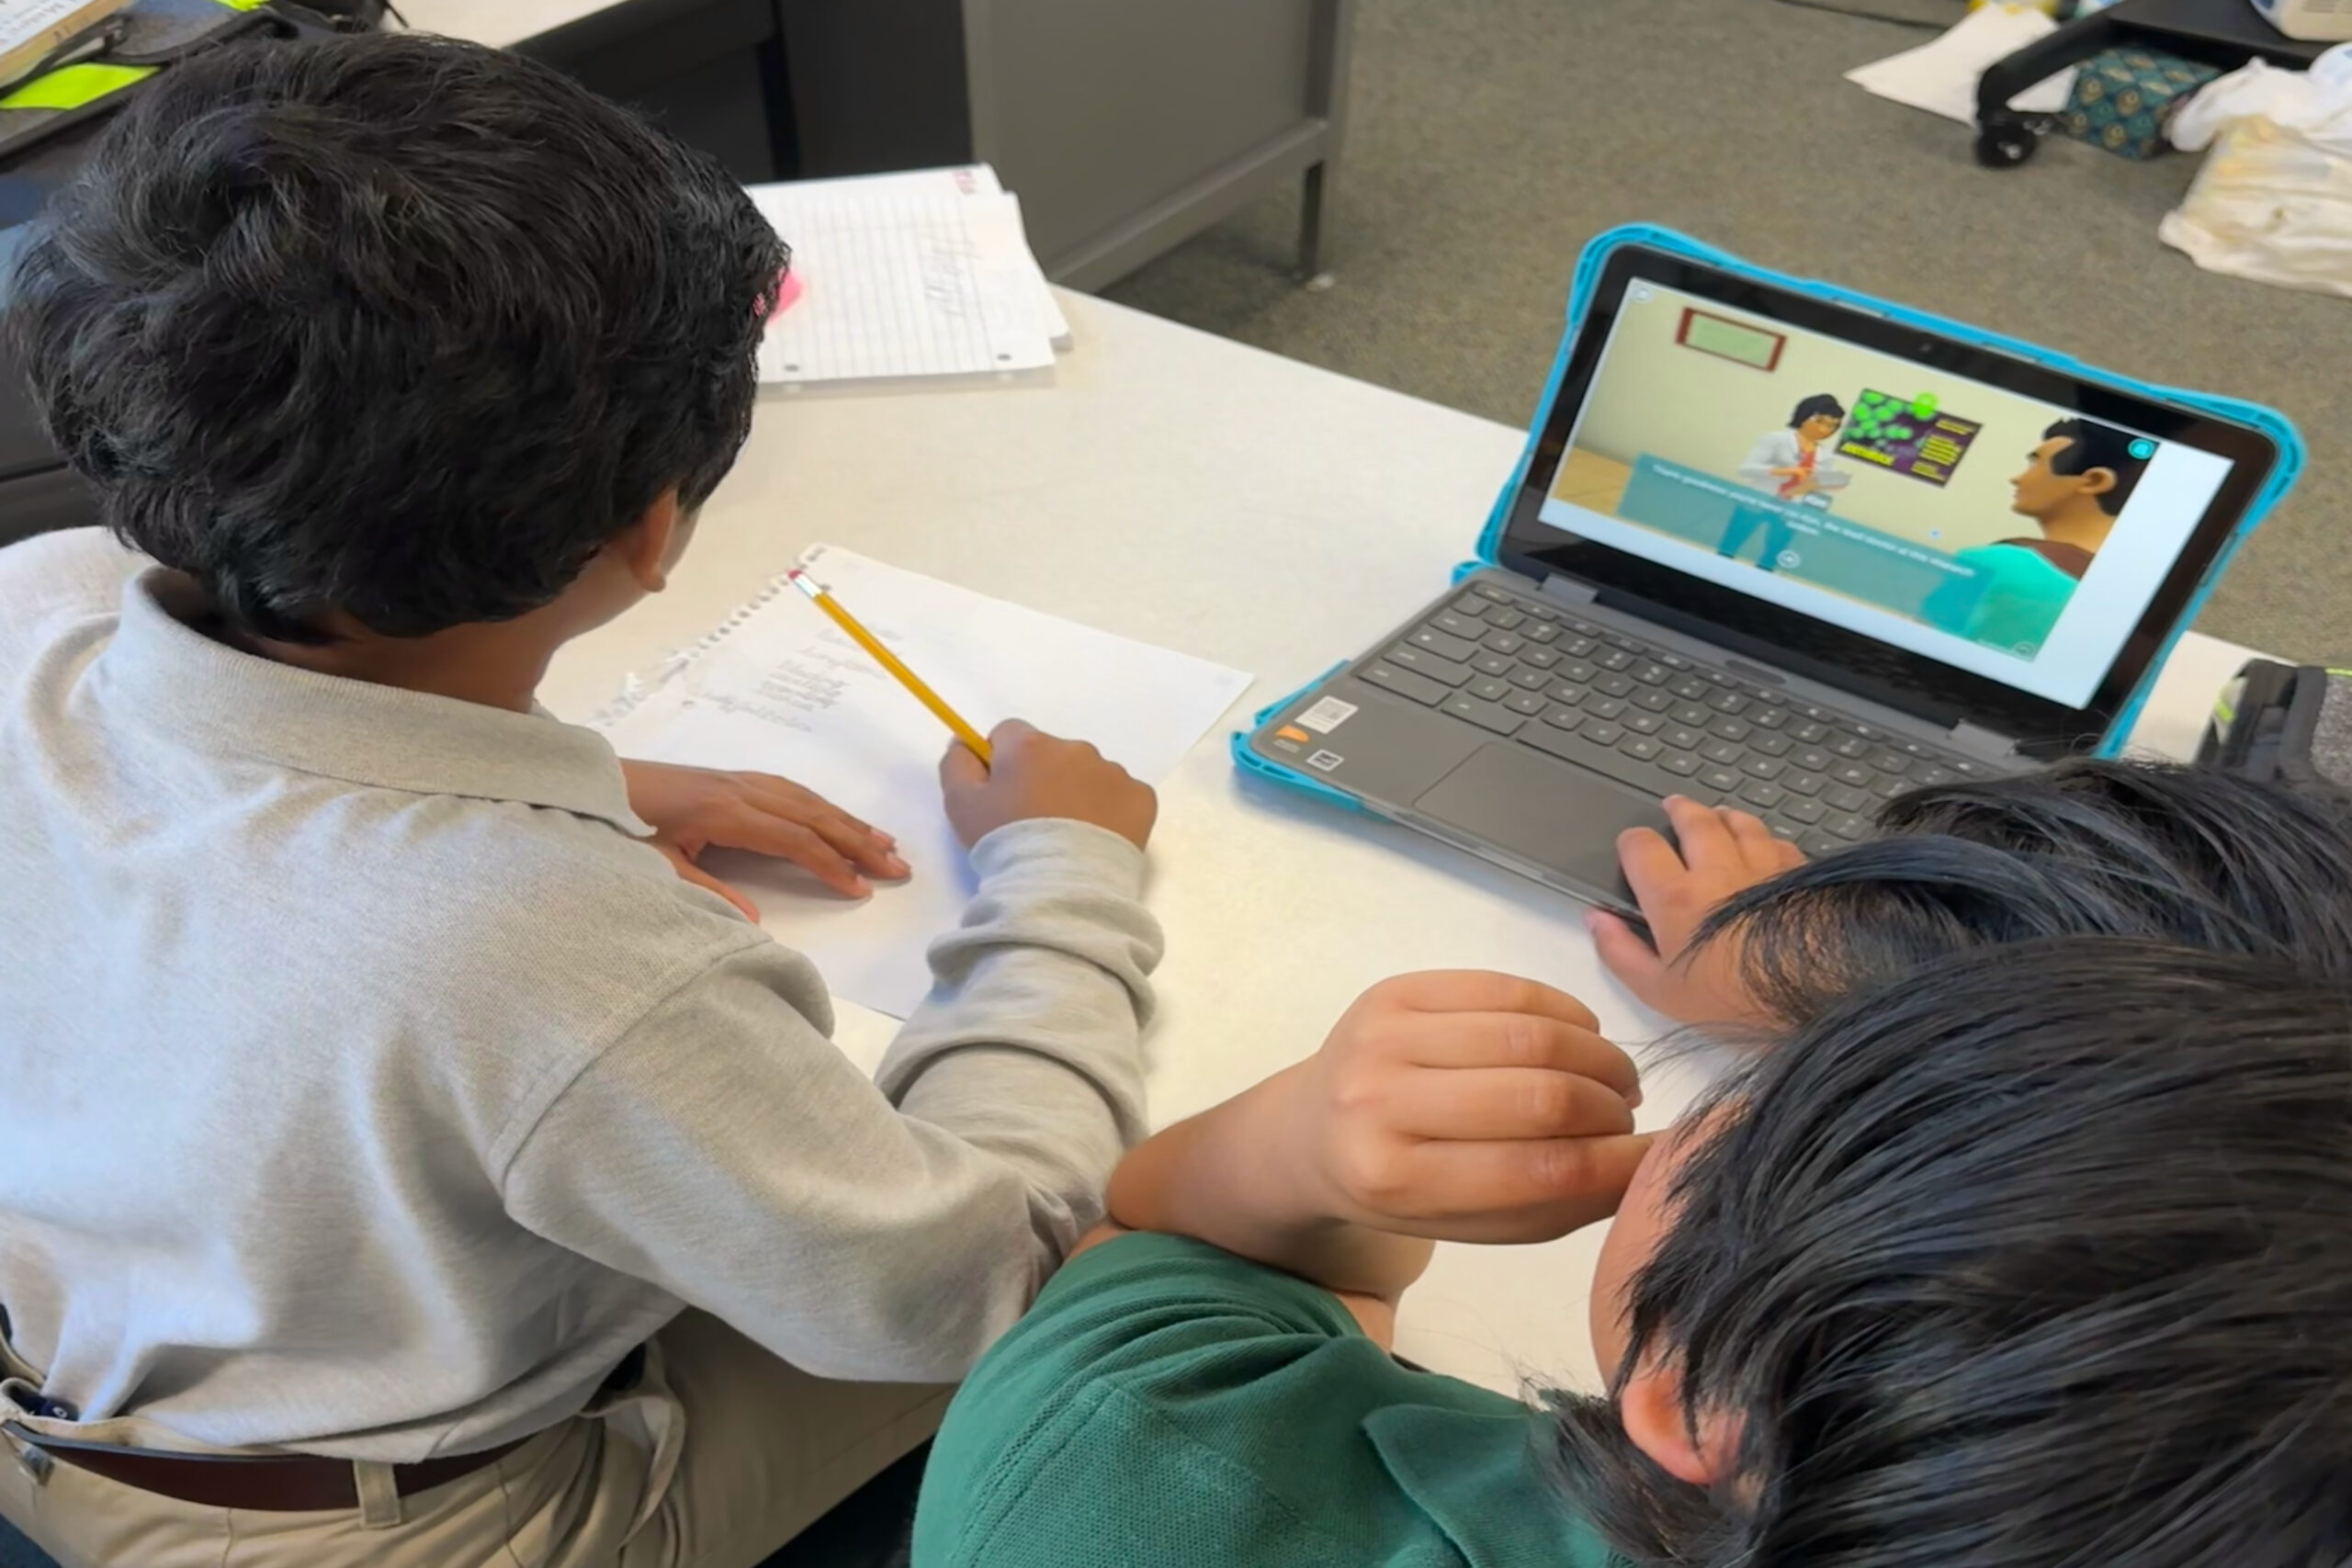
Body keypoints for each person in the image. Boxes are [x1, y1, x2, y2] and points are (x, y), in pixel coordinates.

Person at [0, 34, 1164, 1568]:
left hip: (92, 1379)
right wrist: (1065, 870)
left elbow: (229, 835)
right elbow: (968, 1288)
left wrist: (577, 785)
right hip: (400, 1522)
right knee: (1146, 1287)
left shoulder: (38, 600)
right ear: (653, 532)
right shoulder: (551, 952)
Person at [910, 764, 2352, 1568]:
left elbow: (1150, 1288)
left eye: (1757, 1080)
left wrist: (1291, 1162)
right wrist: (1834, 981)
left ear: (1700, 1397)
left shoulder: (1130, 1469)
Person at [1919, 417, 2151, 655]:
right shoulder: (2138, 591)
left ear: (2093, 481)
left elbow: (1920, 650)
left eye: (2035, 463)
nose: (2017, 478)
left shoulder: (1995, 565)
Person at [1723, 394, 1850, 571]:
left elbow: (1817, 489)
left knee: (1770, 560)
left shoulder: (1825, 456)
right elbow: (1745, 469)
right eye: (1820, 422)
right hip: (1757, 501)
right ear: (1804, 416)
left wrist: (1824, 485)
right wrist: (1786, 471)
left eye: (1831, 426)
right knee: (1728, 548)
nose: (1824, 430)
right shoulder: (1775, 439)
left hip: (1790, 511)